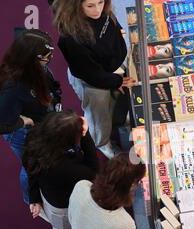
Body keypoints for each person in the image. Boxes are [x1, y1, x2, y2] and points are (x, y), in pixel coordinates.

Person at [52, 0, 135, 159]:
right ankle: (103, 146)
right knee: (99, 117)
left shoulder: (105, 11)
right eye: (90, 6)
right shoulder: (71, 37)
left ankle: (120, 124)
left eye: (100, 2)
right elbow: (91, 74)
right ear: (76, 5)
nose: (97, 9)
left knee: (118, 103)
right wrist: (114, 81)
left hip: (110, 70)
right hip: (91, 82)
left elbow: (115, 29)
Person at [0, 29, 60, 204]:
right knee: (31, 165)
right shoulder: (15, 86)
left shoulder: (28, 60)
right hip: (23, 132)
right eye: (46, 57)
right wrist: (24, 121)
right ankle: (32, 200)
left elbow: (22, 35)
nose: (49, 60)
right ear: (31, 59)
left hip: (42, 120)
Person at [22, 110, 99, 229]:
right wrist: (86, 136)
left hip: (48, 193)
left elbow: (31, 170)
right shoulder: (62, 166)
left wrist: (34, 197)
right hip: (62, 208)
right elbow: (93, 170)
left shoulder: (35, 135)